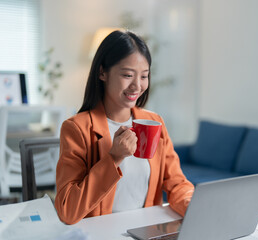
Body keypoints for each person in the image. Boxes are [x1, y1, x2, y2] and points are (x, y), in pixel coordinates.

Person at [54, 30, 194, 225]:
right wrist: (113, 158)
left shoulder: (155, 122)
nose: (137, 86)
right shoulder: (77, 128)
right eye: (128, 75)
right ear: (102, 72)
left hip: (146, 231)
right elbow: (67, 210)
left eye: (144, 76)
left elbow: (177, 184)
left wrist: (196, 208)